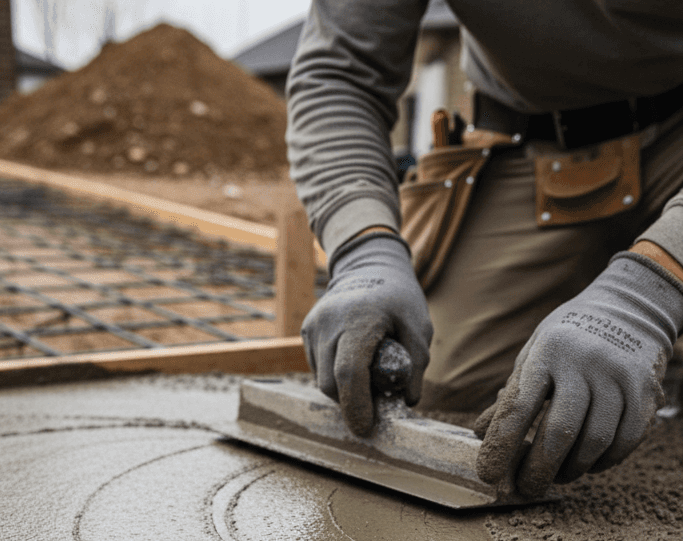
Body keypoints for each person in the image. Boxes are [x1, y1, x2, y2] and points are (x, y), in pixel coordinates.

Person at [288, 0, 683, 498]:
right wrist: (364, 250)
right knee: (448, 390)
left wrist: (647, 295)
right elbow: (338, 77)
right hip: (535, 141)